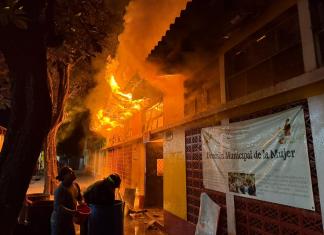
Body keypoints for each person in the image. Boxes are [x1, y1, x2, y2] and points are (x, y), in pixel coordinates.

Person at [51, 166, 82, 235]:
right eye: (70, 172)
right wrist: (73, 212)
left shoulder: (75, 185)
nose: (73, 173)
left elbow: (79, 198)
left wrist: (83, 205)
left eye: (72, 171)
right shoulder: (60, 190)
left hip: (69, 220)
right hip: (59, 222)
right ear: (64, 176)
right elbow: (58, 207)